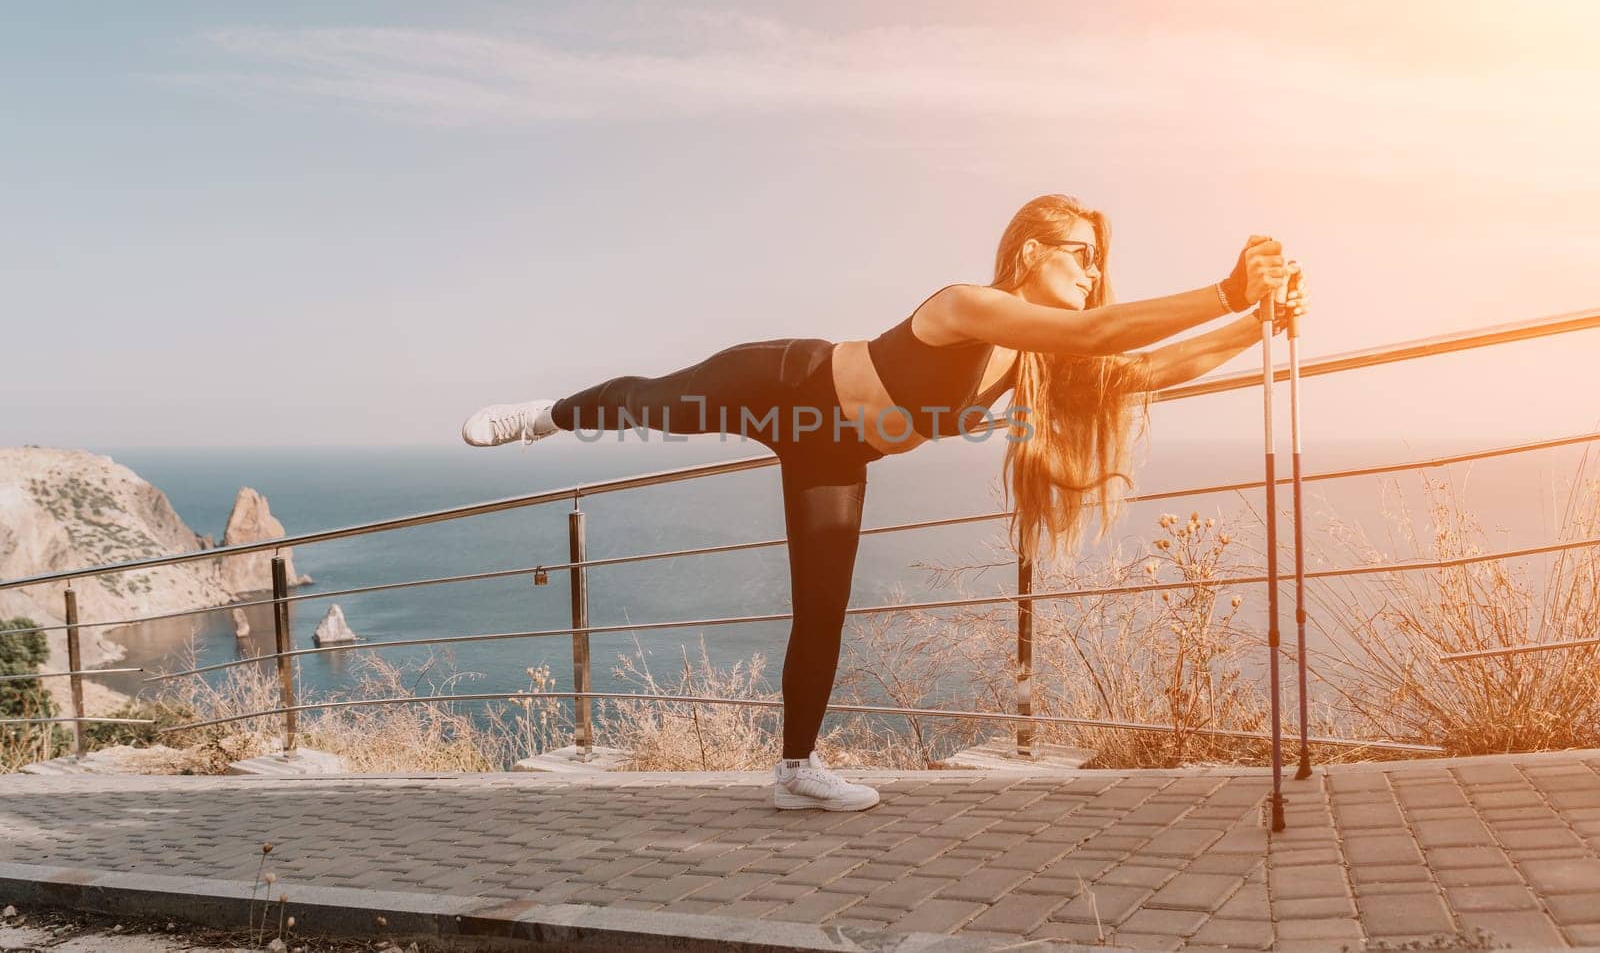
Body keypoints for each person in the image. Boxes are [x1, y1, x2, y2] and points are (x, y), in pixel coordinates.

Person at [461, 194, 1307, 812]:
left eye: (1096, 257)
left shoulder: (1028, 363)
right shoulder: (966, 305)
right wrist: (1227, 290)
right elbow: (1095, 333)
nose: (1094, 271)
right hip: (784, 380)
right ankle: (542, 415)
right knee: (653, 399)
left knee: (822, 608)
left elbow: (1141, 370)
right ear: (1028, 254)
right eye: (1079, 252)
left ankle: (796, 767)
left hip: (838, 450)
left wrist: (1256, 323)